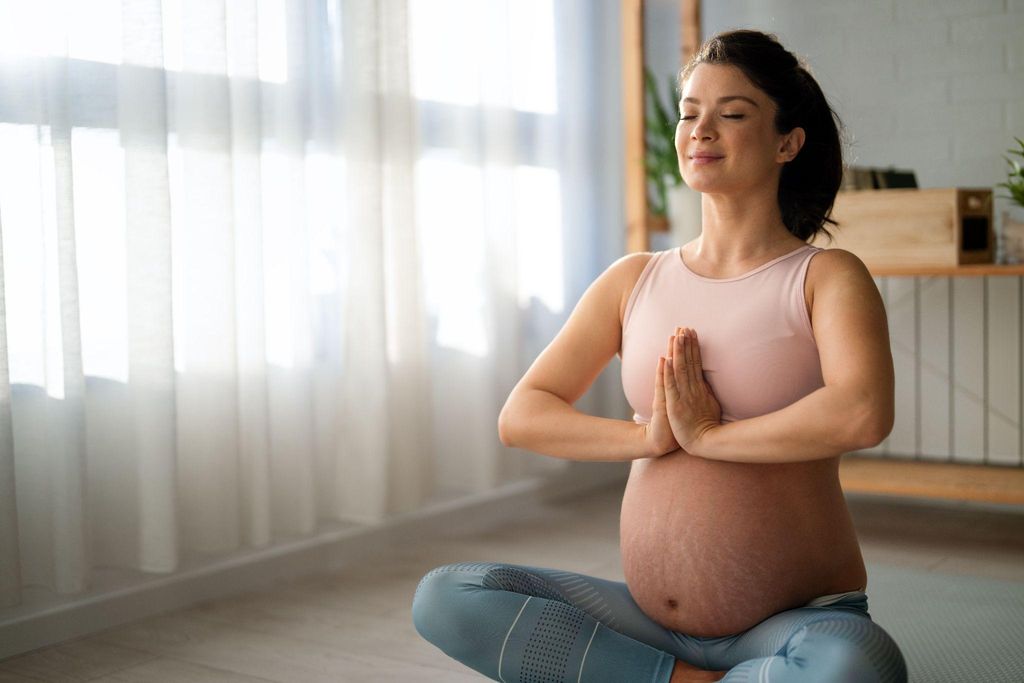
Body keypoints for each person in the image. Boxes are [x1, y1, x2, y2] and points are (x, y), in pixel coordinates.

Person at [411, 29, 908, 683]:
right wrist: (649, 435)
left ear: (788, 141)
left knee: (856, 666)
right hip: (647, 620)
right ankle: (680, 677)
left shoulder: (826, 277)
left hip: (796, 622)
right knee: (448, 596)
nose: (701, 130)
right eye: (689, 112)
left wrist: (708, 436)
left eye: (731, 114)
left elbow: (862, 411)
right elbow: (524, 414)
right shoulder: (633, 279)